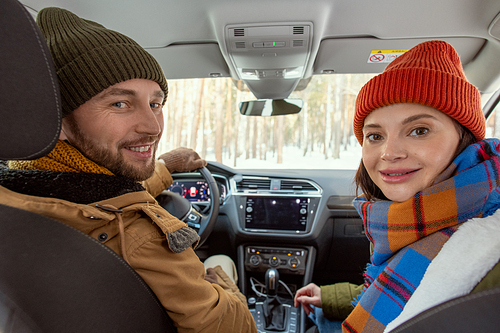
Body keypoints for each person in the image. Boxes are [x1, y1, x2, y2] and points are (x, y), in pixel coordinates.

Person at [0, 7, 257, 333]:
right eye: (120, 103)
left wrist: (165, 166)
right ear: (58, 122)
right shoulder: (138, 236)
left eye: (155, 103)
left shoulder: (22, 189)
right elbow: (230, 327)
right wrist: (223, 283)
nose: (152, 126)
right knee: (222, 263)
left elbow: (108, 196)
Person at [295, 40, 500, 333]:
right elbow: (409, 295)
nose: (389, 153)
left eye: (419, 131)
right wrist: (331, 297)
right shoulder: (419, 218)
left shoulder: (491, 245)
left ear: (464, 136)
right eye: (375, 135)